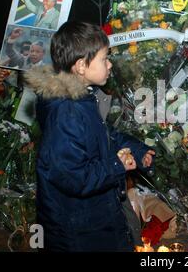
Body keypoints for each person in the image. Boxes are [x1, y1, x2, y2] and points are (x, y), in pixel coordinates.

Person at [24, 21, 155, 252]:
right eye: (104, 59)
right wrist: (116, 165)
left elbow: (103, 137)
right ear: (81, 66)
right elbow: (73, 177)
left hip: (92, 217)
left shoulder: (81, 98)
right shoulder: (66, 112)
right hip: (77, 230)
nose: (110, 64)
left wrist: (136, 149)